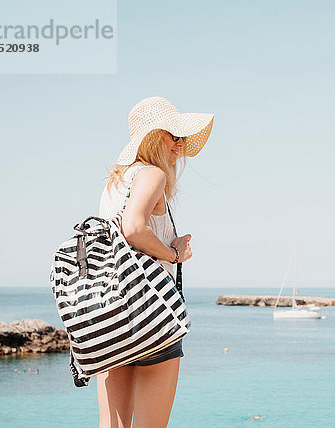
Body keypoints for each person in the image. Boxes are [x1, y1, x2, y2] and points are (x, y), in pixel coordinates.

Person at [97, 96, 214, 428]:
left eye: (182, 137)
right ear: (150, 137)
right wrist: (175, 253)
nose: (179, 144)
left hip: (110, 312)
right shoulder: (151, 175)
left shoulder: (114, 184)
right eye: (172, 135)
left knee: (112, 425)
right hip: (150, 313)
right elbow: (133, 227)